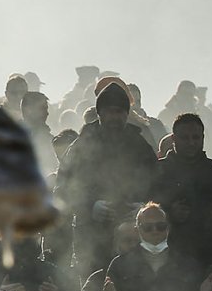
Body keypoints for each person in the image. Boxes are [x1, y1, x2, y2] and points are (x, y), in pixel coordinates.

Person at [56, 83, 156, 273]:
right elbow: (63, 189)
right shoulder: (81, 146)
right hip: (91, 238)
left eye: (119, 112)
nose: (115, 117)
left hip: (134, 236)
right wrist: (90, 206)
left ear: (127, 114)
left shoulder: (139, 146)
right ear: (100, 113)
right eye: (110, 112)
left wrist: (144, 207)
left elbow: (158, 183)